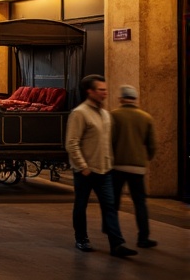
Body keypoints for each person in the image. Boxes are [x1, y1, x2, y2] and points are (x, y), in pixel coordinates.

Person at [65, 74, 134, 257]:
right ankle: (81, 238)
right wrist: (83, 167)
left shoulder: (105, 114)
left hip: (105, 169)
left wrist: (110, 163)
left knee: (110, 206)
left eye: (105, 89)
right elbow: (71, 143)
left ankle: (117, 244)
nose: (105, 93)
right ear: (90, 92)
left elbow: (107, 141)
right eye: (101, 90)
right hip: (85, 171)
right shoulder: (79, 113)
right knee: (81, 205)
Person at [111, 85, 157, 249]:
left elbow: (110, 140)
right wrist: (145, 158)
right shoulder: (146, 117)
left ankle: (115, 236)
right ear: (135, 99)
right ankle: (143, 238)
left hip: (117, 166)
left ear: (122, 99)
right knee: (140, 203)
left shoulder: (114, 115)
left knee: (114, 203)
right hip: (137, 167)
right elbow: (152, 145)